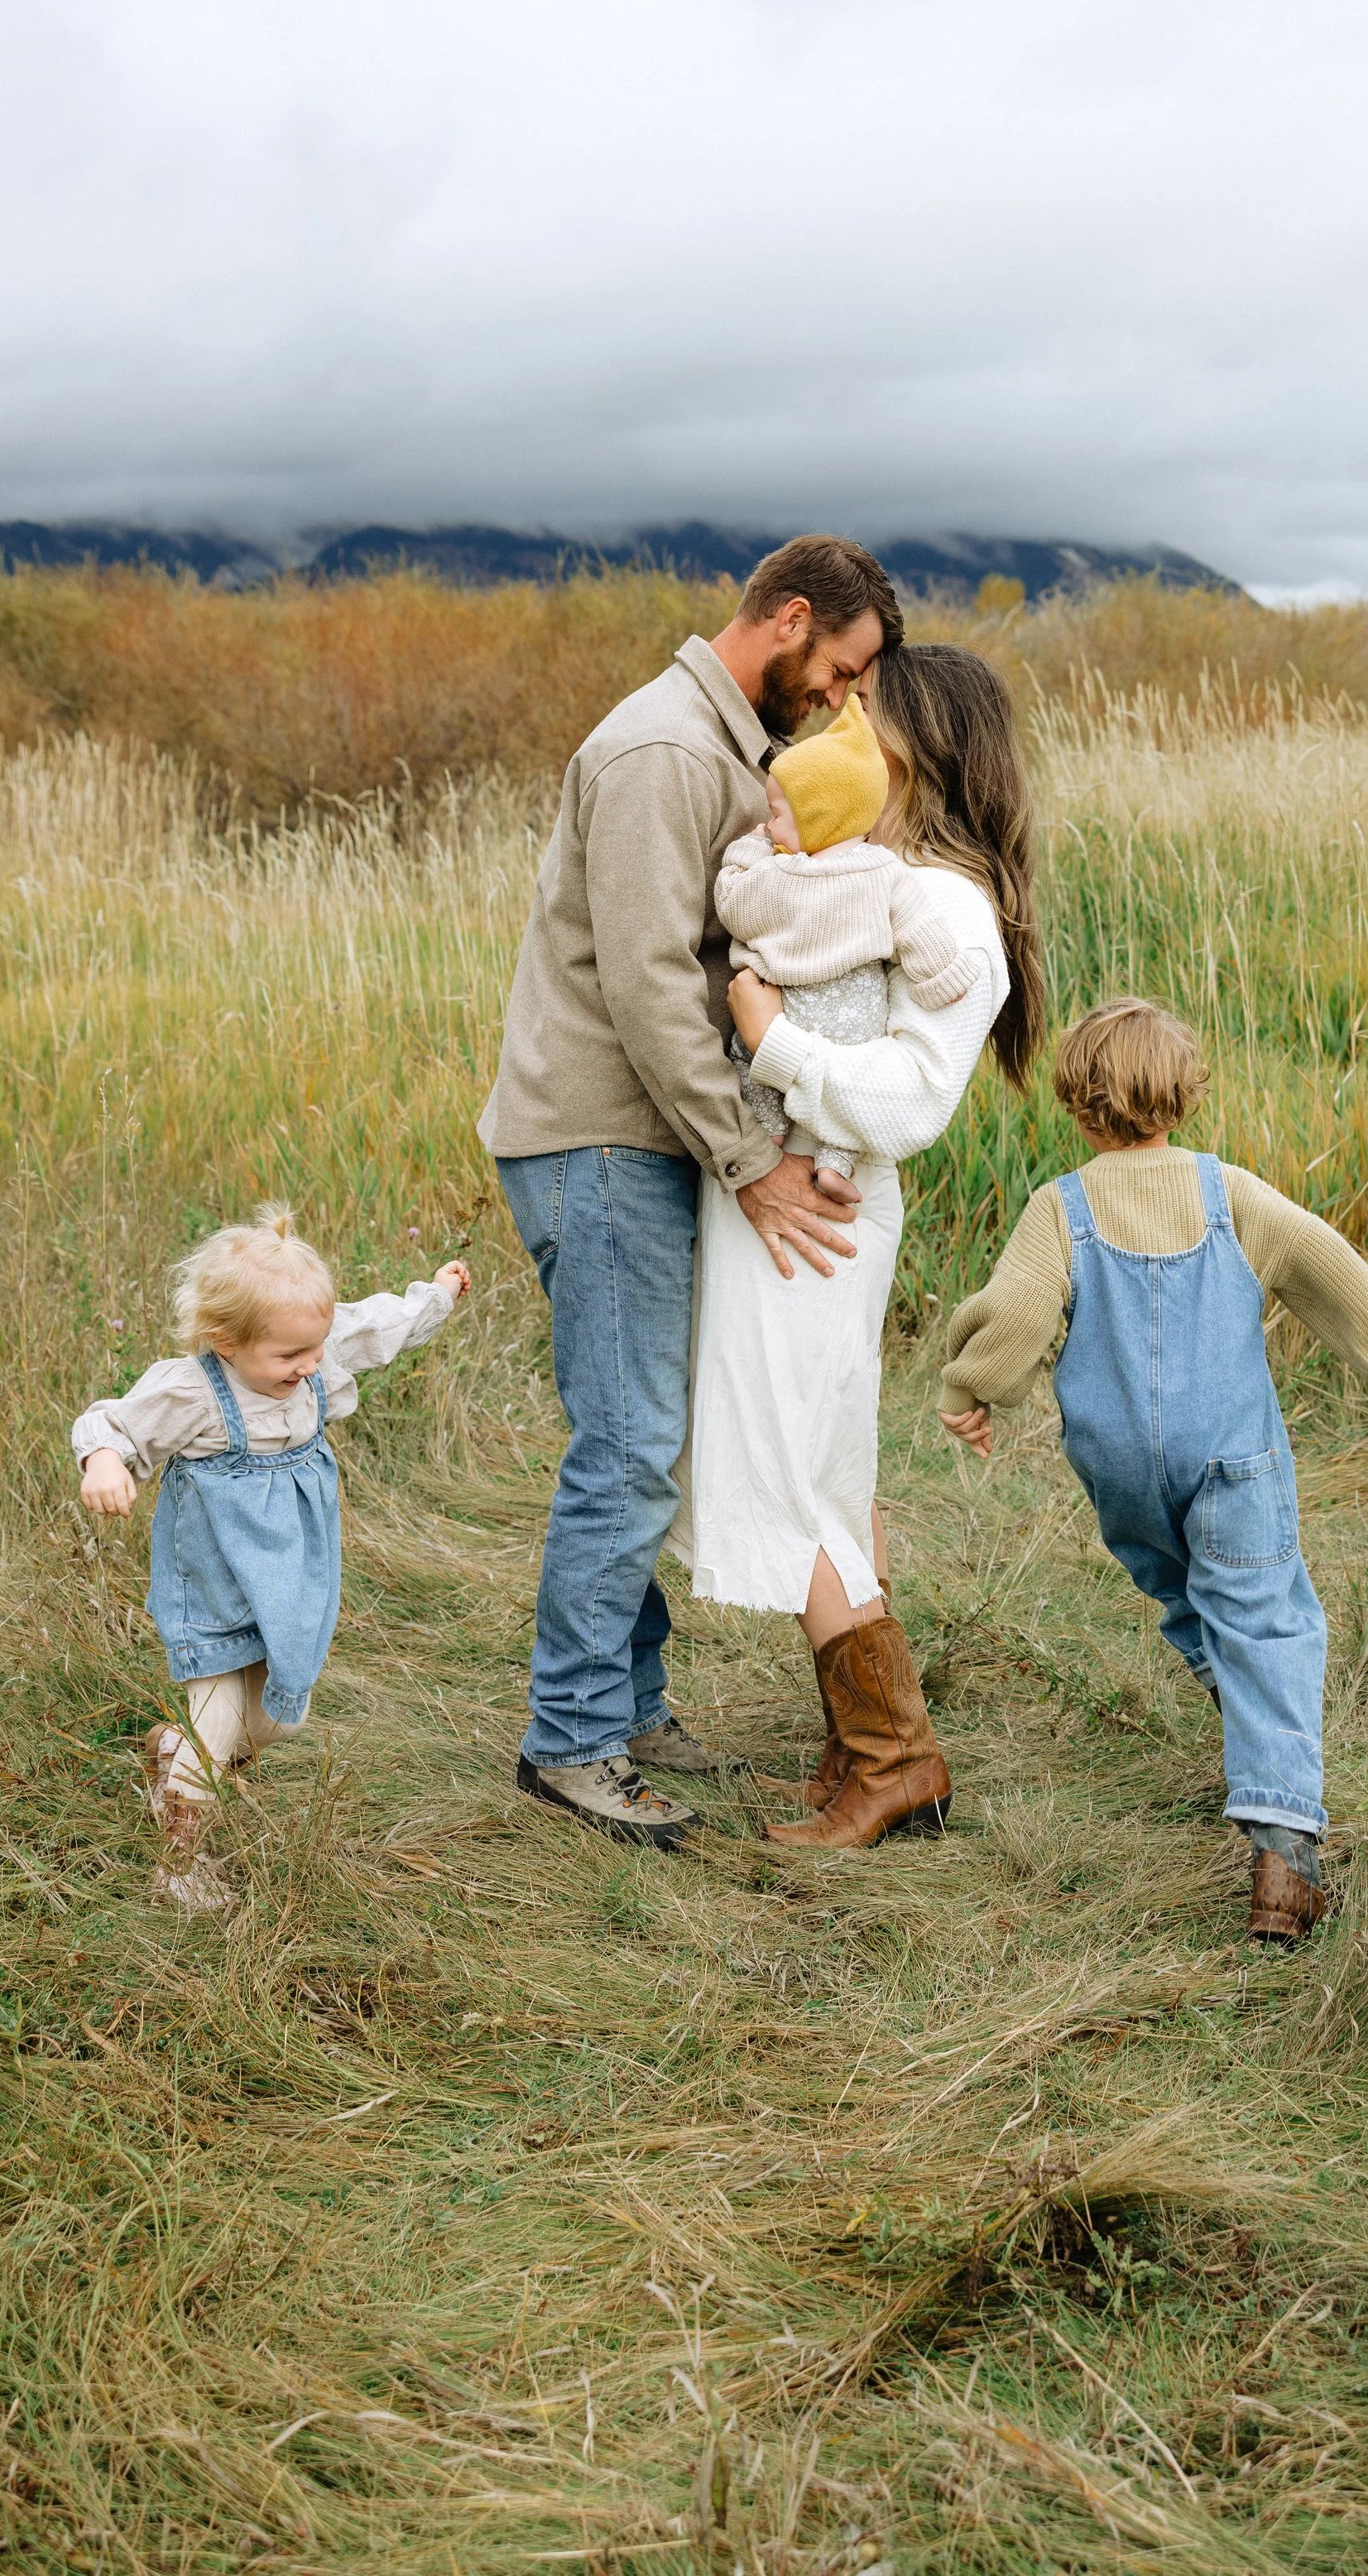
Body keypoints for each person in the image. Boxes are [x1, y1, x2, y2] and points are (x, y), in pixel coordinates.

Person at [478, 536, 904, 1846]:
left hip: (639, 1143)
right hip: (603, 1144)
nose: (840, 700)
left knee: (644, 1435)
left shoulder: (718, 748)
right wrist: (755, 1158)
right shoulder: (666, 752)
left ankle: (626, 1703)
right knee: (625, 1445)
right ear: (786, 623)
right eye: (839, 671)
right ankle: (570, 1743)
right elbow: (654, 984)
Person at [938, 999, 1368, 1942]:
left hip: (1119, 1468)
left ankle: (1251, 1721)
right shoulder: (1230, 1195)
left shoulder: (1061, 1206)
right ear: (1183, 1096)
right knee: (1266, 1619)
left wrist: (973, 1387)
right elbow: (1329, 1267)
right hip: (1232, 1460)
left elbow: (1012, 1313)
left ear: (1077, 1106)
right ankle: (1284, 1859)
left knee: (1185, 1595)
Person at [685, 642, 1044, 1851]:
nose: (835, 722)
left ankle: (898, 1760)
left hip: (821, 1216)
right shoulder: (869, 873)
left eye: (860, 710)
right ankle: (866, 1752)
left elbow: (907, 1103)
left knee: (793, 1472)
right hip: (808, 1209)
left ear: (919, 748)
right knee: (823, 1471)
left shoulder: (942, 904)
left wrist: (771, 1040)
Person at [74, 1205, 469, 1906]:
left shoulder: (311, 1347)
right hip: (217, 1580)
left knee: (285, 1718)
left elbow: (375, 1327)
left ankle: (180, 1755)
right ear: (225, 1342)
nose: (310, 1366)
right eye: (290, 1357)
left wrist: (434, 1294)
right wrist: (104, 1461)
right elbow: (114, 1421)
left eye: (314, 1349)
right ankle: (180, 1864)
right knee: (221, 1721)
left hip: (290, 1574)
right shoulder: (191, 1390)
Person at [717, 685, 986, 1191]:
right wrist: (942, 976)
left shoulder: (782, 876)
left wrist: (750, 849)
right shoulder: (884, 870)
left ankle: (769, 1131)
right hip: (855, 1013)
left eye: (777, 813)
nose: (768, 823)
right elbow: (917, 928)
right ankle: (835, 1163)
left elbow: (735, 902)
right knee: (843, 1082)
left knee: (747, 1061)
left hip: (788, 1012)